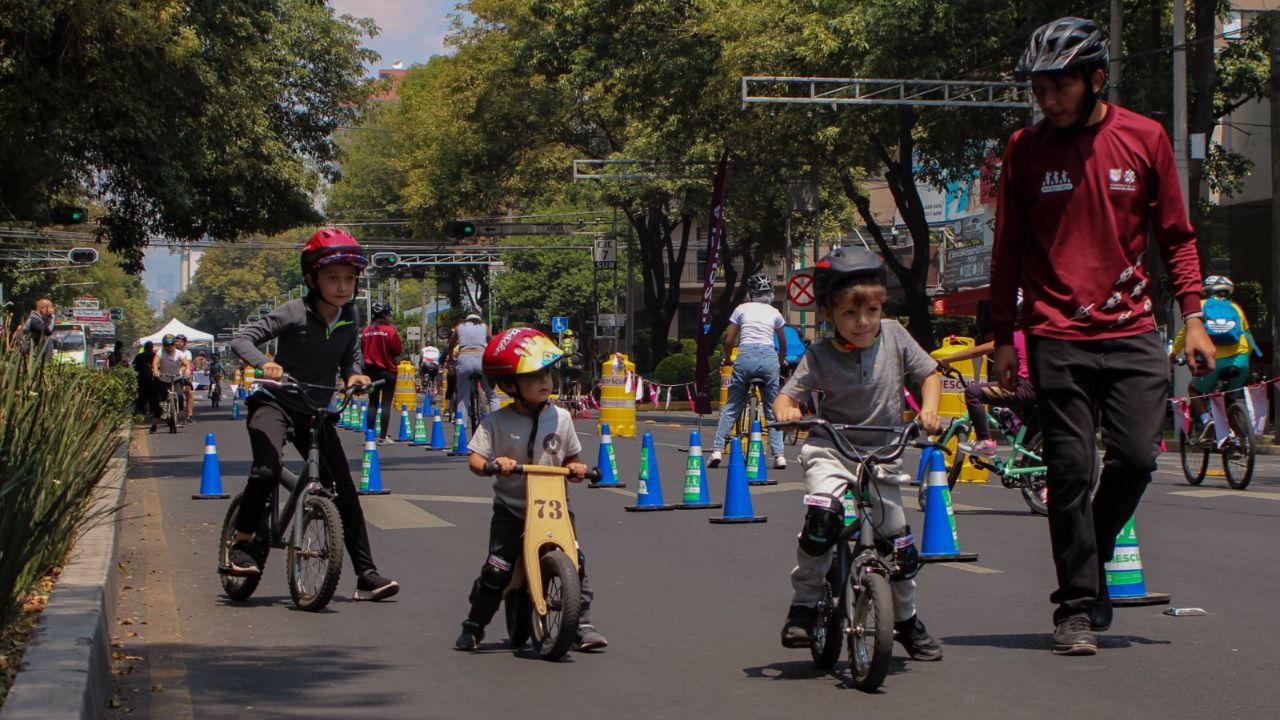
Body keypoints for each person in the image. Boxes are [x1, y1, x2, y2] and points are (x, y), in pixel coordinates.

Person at [990, 17, 1214, 656]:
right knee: (1068, 468)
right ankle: (1077, 608)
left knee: (1139, 459)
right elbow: (1008, 249)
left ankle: (1090, 545)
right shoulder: (1025, 148)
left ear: (1094, 80)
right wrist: (1005, 336)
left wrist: (1193, 316)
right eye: (1038, 87)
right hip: (1055, 332)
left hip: (1134, 330)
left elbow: (1177, 237)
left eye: (1058, 85)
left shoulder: (1144, 138)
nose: (1046, 99)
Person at [773, 246, 945, 660]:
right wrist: (789, 410)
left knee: (900, 550)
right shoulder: (819, 354)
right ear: (829, 313)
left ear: (881, 306)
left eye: (871, 310)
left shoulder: (896, 336)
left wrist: (930, 409)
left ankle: (904, 621)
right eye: (850, 314)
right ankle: (804, 605)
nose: (862, 323)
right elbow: (786, 396)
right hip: (831, 448)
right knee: (821, 522)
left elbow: (931, 374)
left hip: (884, 452)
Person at [226, 227, 399, 601]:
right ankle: (242, 543)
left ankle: (366, 575)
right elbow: (241, 339)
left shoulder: (351, 315)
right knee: (266, 470)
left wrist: (354, 374)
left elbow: (351, 355)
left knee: (345, 492)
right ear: (312, 278)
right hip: (274, 402)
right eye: (332, 278)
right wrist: (265, 362)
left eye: (349, 279)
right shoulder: (293, 311)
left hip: (315, 411)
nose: (342, 286)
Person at [453, 328, 607, 652]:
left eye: (548, 374)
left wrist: (577, 469)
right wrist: (494, 464)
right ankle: (474, 625)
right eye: (535, 376)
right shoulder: (495, 422)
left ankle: (582, 624)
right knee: (496, 570)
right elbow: (475, 460)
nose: (546, 382)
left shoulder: (562, 418)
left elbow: (572, 457)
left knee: (575, 561)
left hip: (554, 506)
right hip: (511, 509)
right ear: (509, 385)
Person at [937, 292, 1036, 457]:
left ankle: (984, 442)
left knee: (973, 392)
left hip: (1023, 387)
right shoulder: (1035, 334)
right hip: (1038, 388)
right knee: (1002, 410)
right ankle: (1025, 456)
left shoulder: (1012, 335)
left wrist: (945, 360)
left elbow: (975, 351)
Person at [709, 273, 787, 470]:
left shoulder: (741, 309)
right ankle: (779, 455)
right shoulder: (775, 312)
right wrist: (778, 362)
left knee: (732, 406)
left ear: (751, 293)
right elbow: (783, 344)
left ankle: (717, 450)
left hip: (746, 357)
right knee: (771, 410)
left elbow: (729, 341)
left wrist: (727, 359)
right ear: (770, 292)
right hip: (769, 358)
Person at [1170, 275, 1262, 432]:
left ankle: (1208, 421)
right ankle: (1237, 438)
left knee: (1194, 390)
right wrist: (1247, 361)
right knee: (1231, 397)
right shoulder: (1236, 309)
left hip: (1212, 361)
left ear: (1206, 291)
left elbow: (1185, 333)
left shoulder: (1200, 307)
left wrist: (1172, 353)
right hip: (1240, 360)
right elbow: (1249, 339)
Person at [360, 302, 403, 445]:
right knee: (386, 403)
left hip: (371, 372)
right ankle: (383, 437)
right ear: (385, 315)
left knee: (372, 403)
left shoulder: (366, 330)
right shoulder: (390, 331)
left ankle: (370, 434)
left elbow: (362, 349)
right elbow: (397, 350)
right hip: (388, 371)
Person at [446, 310, 498, 422]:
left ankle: (461, 429)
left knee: (462, 397)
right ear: (479, 318)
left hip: (464, 358)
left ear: (466, 318)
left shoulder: (459, 327)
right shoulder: (484, 326)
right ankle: (497, 424)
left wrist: (450, 358)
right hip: (481, 359)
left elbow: (451, 345)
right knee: (492, 396)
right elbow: (493, 343)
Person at [149, 334, 191, 434]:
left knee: (180, 395)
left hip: (176, 378)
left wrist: (187, 370)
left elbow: (186, 363)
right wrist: (155, 370)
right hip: (163, 378)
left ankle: (178, 414)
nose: (170, 347)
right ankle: (154, 426)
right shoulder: (160, 352)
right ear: (164, 345)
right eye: (167, 345)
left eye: (172, 344)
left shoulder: (179, 353)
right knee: (159, 403)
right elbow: (155, 363)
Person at [174, 334, 196, 423]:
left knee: (188, 393)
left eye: (181, 342)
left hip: (183, 375)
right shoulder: (171, 351)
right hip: (171, 375)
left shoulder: (187, 353)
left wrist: (182, 370)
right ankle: (174, 413)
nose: (179, 343)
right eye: (177, 341)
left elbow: (187, 364)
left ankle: (189, 415)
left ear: (185, 343)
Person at [132, 341, 156, 415]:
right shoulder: (155, 356)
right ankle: (153, 409)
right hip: (153, 378)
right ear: (152, 348)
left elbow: (134, 366)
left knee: (142, 394)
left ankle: (142, 410)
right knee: (153, 394)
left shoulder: (139, 356)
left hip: (142, 378)